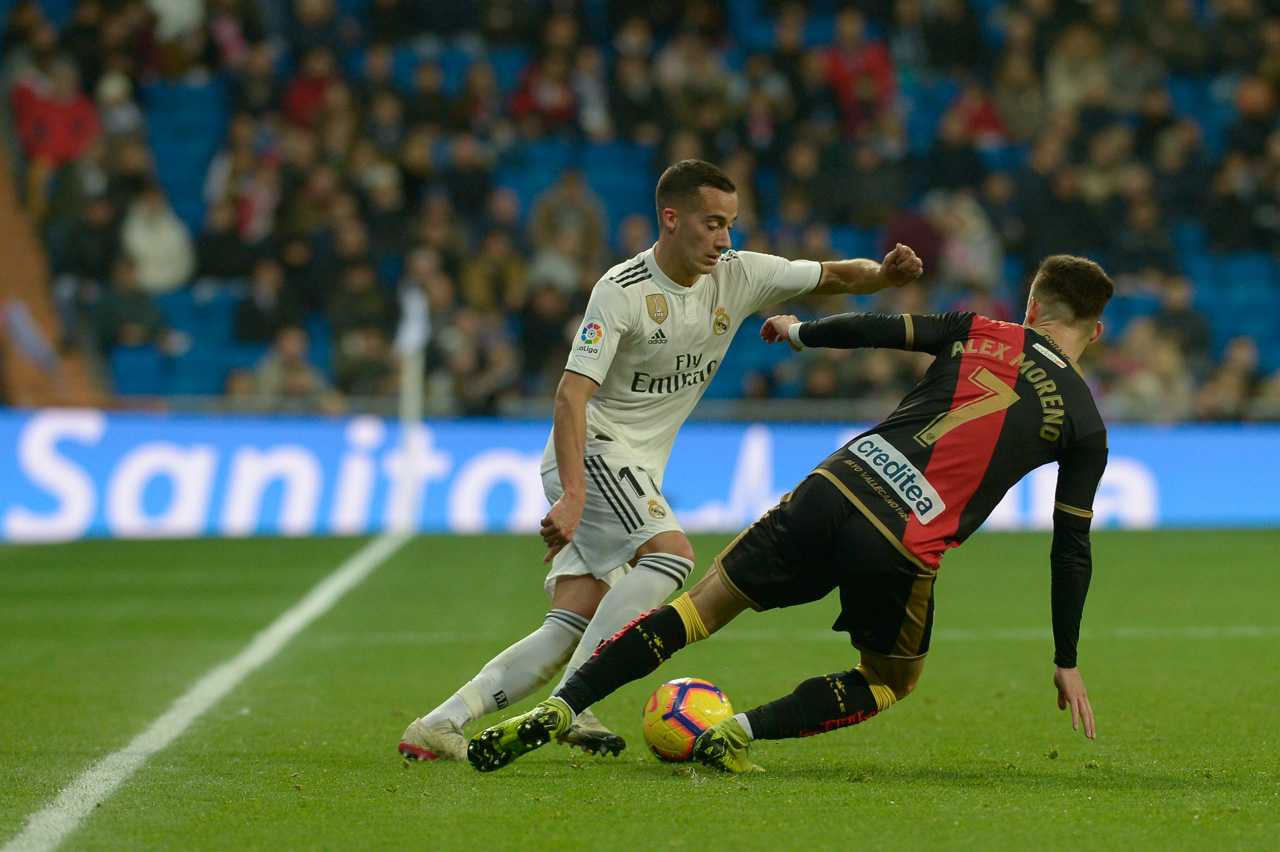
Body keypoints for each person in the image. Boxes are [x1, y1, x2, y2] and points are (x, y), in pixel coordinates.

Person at [467, 254, 1112, 773]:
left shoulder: (981, 329)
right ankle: (737, 731)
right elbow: (1070, 548)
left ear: (1031, 307)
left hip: (838, 482)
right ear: (1096, 329)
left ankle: (565, 703)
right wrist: (1066, 657)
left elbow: (880, 329)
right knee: (890, 679)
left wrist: (801, 333)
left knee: (698, 609)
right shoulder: (1084, 422)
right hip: (904, 538)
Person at [398, 159, 923, 762]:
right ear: (671, 219)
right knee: (671, 556)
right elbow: (571, 394)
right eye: (711, 224)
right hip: (592, 453)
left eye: (730, 224)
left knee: (573, 618)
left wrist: (882, 275)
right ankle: (574, 701)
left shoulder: (740, 274)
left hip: (635, 470)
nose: (724, 239)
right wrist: (572, 495)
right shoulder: (620, 292)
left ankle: (441, 722)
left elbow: (835, 275)